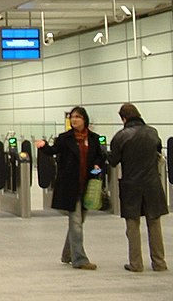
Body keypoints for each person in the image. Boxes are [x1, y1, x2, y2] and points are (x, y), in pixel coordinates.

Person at [36, 106, 106, 270]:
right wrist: (43, 146)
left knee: (79, 222)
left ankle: (67, 254)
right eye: (72, 117)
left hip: (87, 186)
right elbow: (53, 151)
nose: (74, 120)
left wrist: (96, 170)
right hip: (70, 186)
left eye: (78, 117)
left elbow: (100, 158)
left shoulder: (94, 138)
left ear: (85, 120)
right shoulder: (64, 138)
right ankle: (80, 259)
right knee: (76, 223)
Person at [109, 103, 168, 273]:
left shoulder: (121, 136)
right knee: (154, 223)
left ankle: (136, 264)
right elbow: (157, 151)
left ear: (124, 118)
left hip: (131, 185)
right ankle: (159, 263)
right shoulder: (153, 132)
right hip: (152, 184)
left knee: (133, 225)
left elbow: (113, 161)